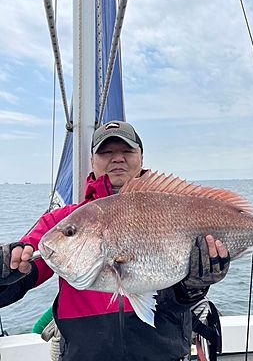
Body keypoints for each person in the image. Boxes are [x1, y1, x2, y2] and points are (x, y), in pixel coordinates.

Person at [0, 120, 230, 361]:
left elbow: (175, 300)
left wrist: (192, 288)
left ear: (141, 157)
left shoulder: (171, 206)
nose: (117, 158)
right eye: (106, 152)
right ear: (92, 161)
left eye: (127, 151)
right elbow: (24, 269)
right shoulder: (62, 222)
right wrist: (6, 270)